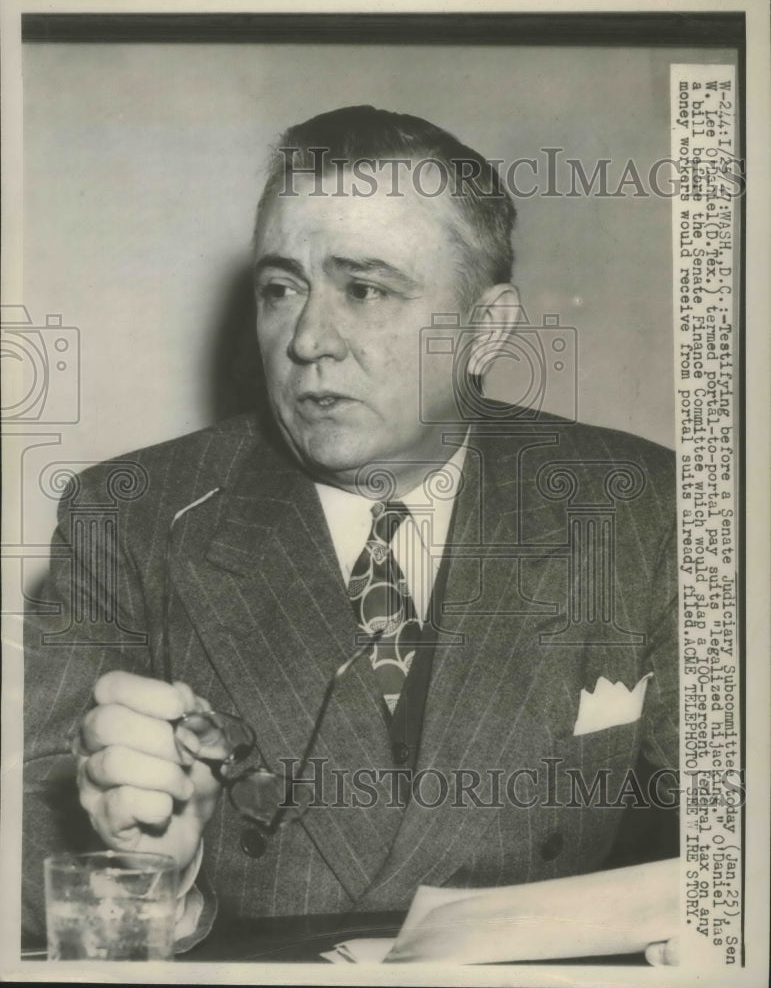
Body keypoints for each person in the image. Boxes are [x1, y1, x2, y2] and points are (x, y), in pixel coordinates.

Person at [23, 106, 679, 959]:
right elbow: (25, 831)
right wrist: (156, 879)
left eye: (363, 289)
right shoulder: (131, 513)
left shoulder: (638, 504)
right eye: (280, 288)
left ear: (486, 327)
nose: (307, 340)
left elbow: (738, 834)